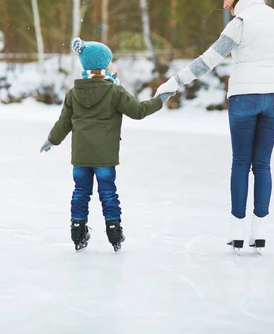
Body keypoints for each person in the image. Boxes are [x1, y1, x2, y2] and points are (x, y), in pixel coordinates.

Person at [155, 0, 274, 253]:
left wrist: (174, 82)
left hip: (245, 99)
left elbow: (209, 59)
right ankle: (259, 233)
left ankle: (237, 233)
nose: (224, 5)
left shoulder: (240, 23)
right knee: (262, 165)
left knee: (240, 163)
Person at [40, 38, 174, 252]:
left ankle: (77, 229)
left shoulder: (74, 93)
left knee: (80, 192)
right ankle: (114, 231)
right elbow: (138, 111)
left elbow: (63, 122)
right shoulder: (114, 91)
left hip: (82, 157)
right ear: (103, 65)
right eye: (110, 61)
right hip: (104, 157)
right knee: (108, 193)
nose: (113, 64)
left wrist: (52, 140)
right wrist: (159, 100)